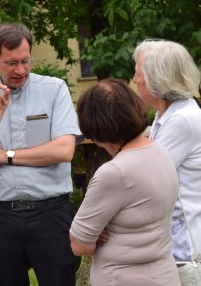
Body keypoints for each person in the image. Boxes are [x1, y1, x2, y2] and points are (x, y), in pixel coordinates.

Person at [0, 22, 82, 285]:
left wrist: (6, 155)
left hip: (50, 214)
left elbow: (64, 149)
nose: (21, 70)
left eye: (26, 61)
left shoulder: (54, 89)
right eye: (11, 63)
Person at [70, 78, 180, 285]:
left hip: (123, 277)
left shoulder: (114, 173)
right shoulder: (159, 150)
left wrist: (97, 233)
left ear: (95, 128)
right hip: (164, 272)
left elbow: (79, 244)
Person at [133, 39, 201, 285]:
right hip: (173, 250)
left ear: (157, 79)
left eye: (139, 73)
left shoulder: (182, 119)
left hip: (185, 254)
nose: (135, 79)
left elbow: (144, 178)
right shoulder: (168, 116)